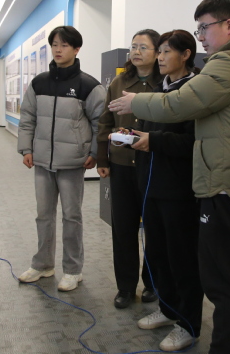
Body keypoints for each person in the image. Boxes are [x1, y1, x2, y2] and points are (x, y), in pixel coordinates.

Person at [109, 0, 230, 354]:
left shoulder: (229, 62)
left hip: (225, 186)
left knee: (222, 278)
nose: (201, 36)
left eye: (204, 28)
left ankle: (214, 336)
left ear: (229, 26)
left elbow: (180, 105)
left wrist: (134, 102)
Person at [17, 25, 106, 292]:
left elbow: (101, 123)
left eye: (64, 45)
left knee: (71, 217)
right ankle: (43, 264)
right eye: (54, 44)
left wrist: (94, 153)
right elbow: (27, 118)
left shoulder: (89, 86)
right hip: (43, 161)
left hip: (73, 162)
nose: (58, 49)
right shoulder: (39, 83)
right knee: (43, 215)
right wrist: (26, 148)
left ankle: (73, 270)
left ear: (76, 49)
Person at [131, 30, 204, 352]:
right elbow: (152, 136)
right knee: (158, 255)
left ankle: (188, 324)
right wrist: (136, 137)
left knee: (182, 258)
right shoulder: (158, 89)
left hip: (179, 190)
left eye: (166, 52)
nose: (159, 57)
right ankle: (168, 308)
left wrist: (155, 141)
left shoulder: (194, 90)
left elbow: (193, 142)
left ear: (186, 54)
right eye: (158, 51)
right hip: (151, 185)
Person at [96, 29, 162, 309]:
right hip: (122, 165)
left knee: (155, 229)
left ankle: (152, 283)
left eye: (143, 47)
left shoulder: (165, 82)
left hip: (154, 166)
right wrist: (102, 159)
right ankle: (125, 287)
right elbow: (105, 121)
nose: (136, 51)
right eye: (133, 46)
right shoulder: (119, 82)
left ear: (158, 52)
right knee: (123, 229)